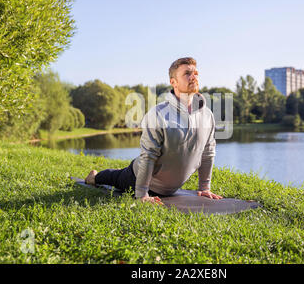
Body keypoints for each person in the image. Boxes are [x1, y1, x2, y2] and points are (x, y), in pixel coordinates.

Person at [85, 57, 222, 205]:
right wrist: (142, 193)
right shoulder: (158, 114)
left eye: (196, 73)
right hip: (141, 180)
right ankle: (94, 177)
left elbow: (208, 152)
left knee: (120, 173)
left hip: (170, 187)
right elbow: (149, 155)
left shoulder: (207, 115)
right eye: (187, 73)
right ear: (173, 82)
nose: (193, 77)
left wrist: (204, 187)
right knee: (116, 178)